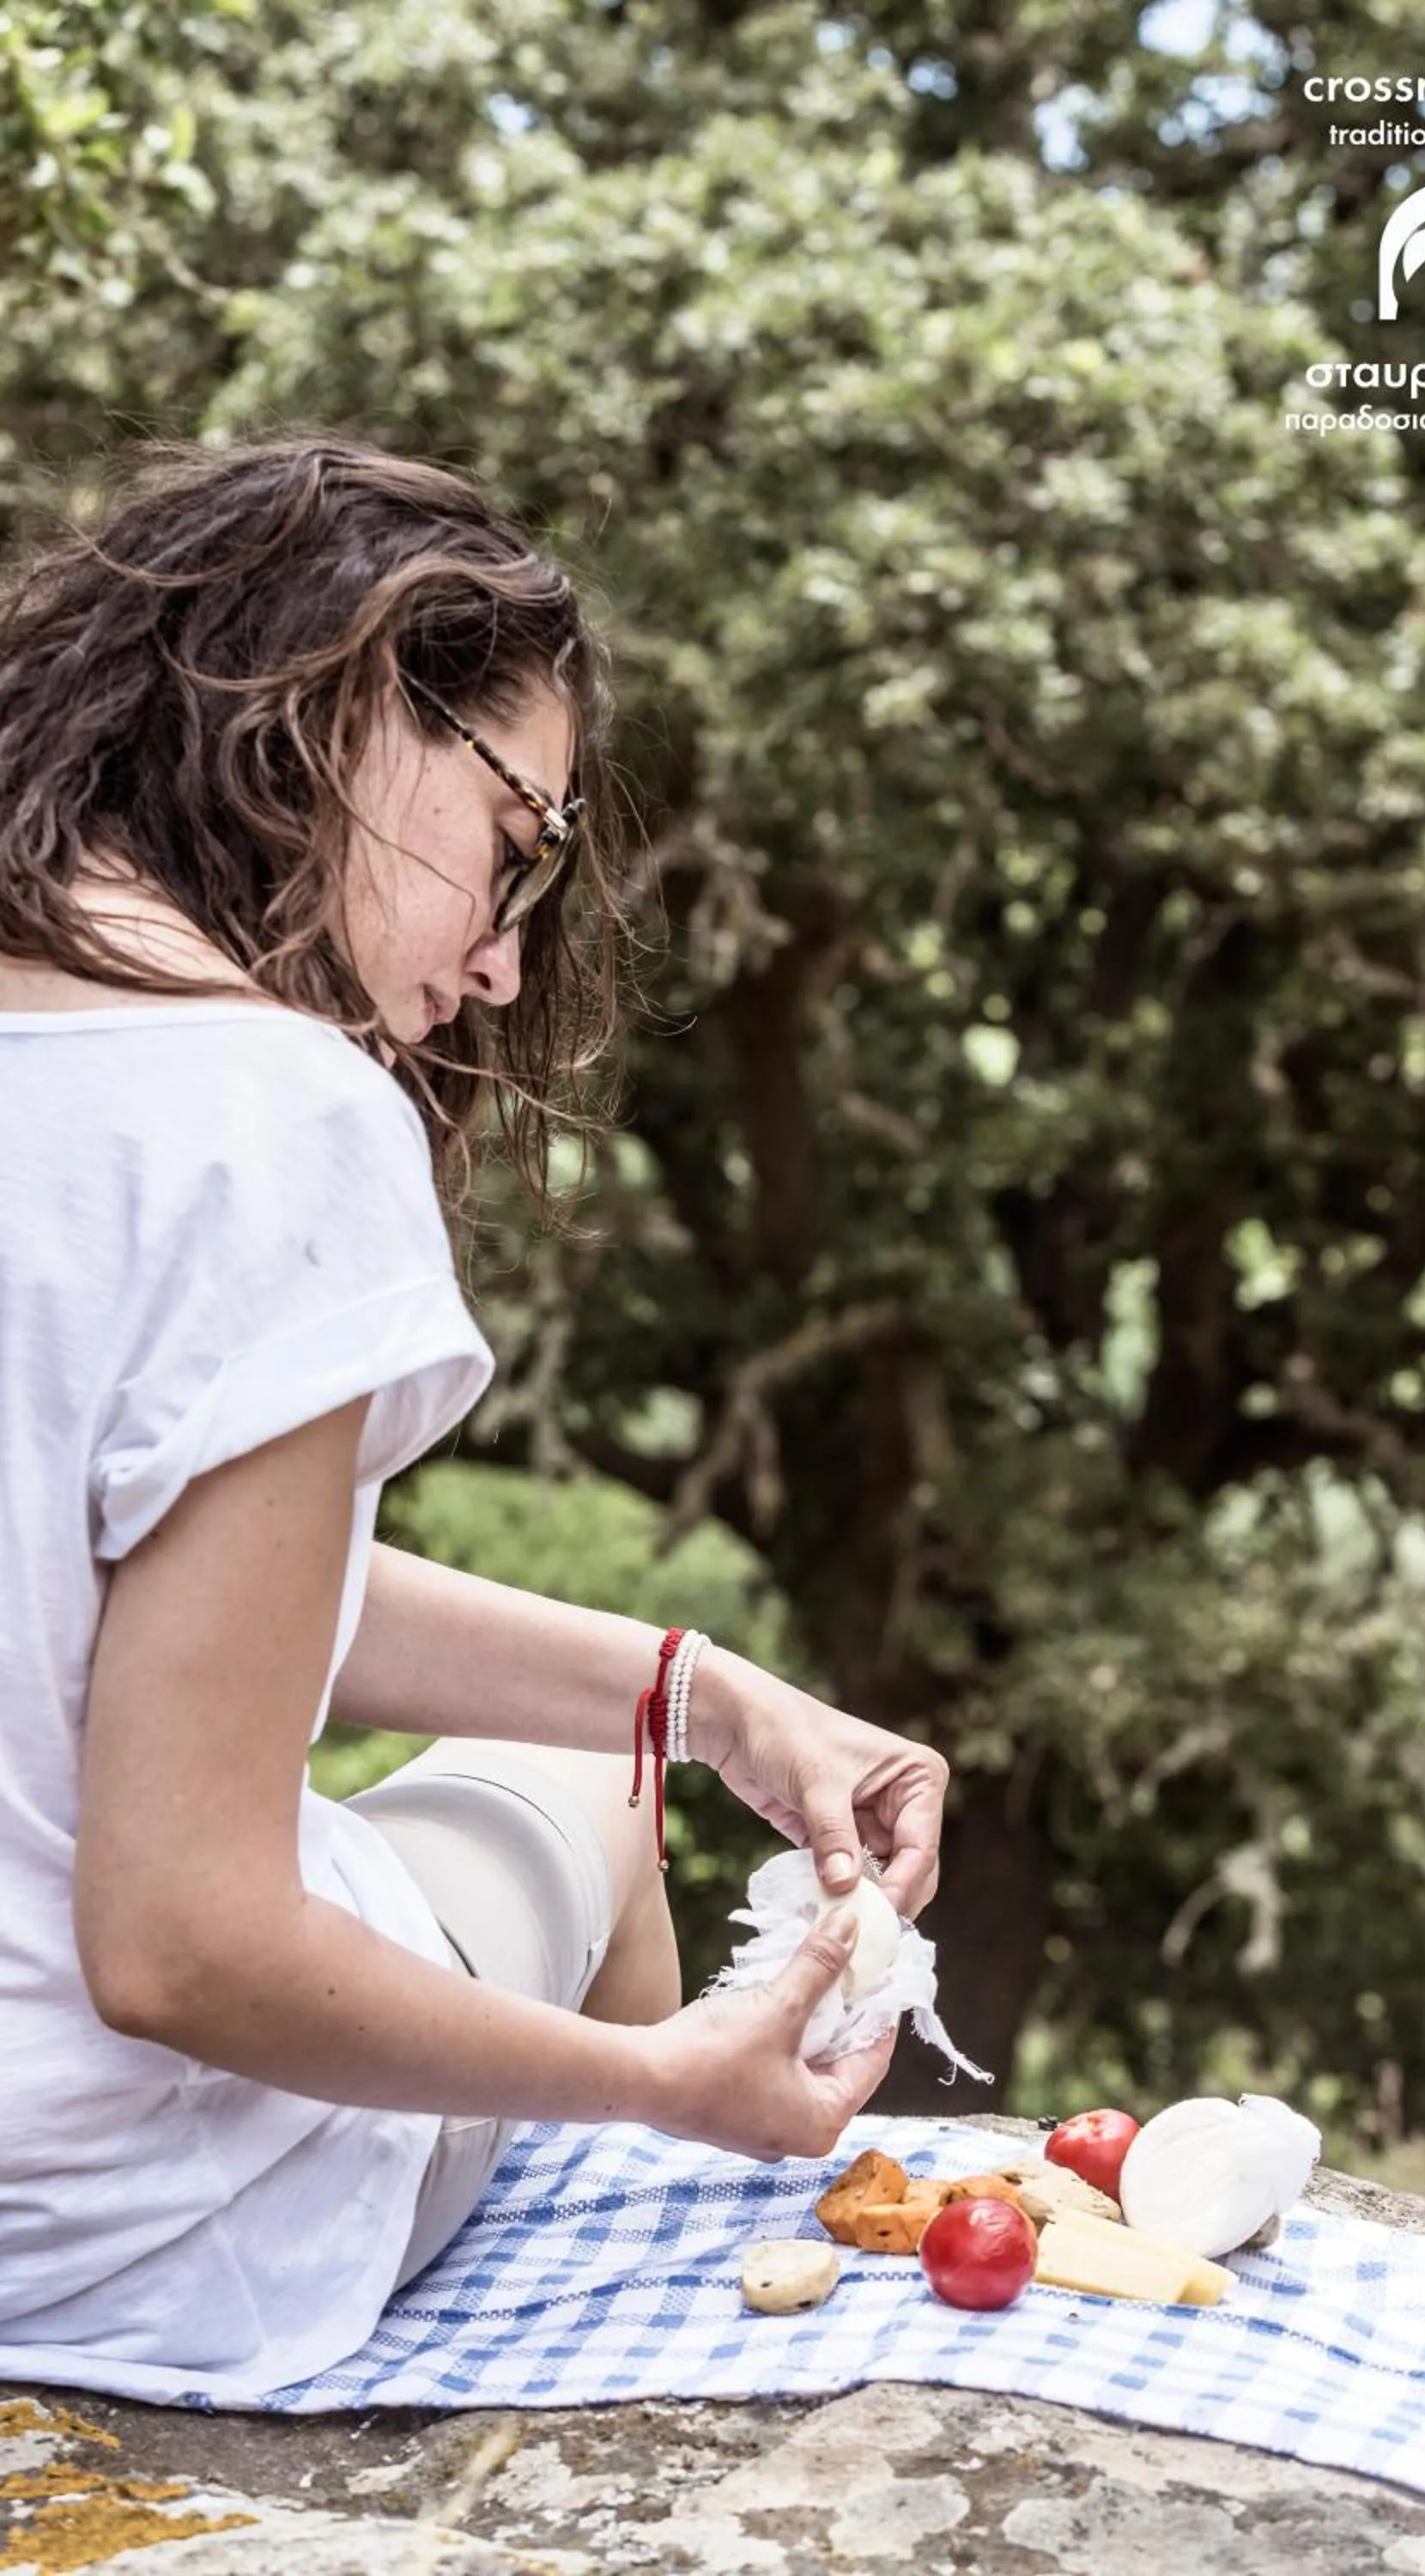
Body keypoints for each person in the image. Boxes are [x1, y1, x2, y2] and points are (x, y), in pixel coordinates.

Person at [0, 434, 948, 2403]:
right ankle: (623, 2335)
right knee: (593, 1800)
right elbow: (180, 1946)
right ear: (345, 703)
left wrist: (705, 1697)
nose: (505, 957)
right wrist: (655, 2079)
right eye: (518, 838)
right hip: (116, 2234)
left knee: (617, 1745)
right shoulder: (266, 1113)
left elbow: (146, 1600)